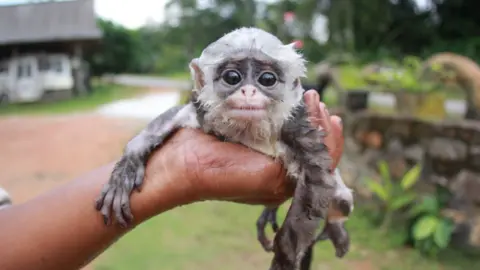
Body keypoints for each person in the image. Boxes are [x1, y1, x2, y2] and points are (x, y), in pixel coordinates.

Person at [0, 90, 344, 270]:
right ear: (201, 80)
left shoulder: (283, 114)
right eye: (232, 80)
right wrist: (163, 167)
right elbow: (142, 142)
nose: (249, 94)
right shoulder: (198, 111)